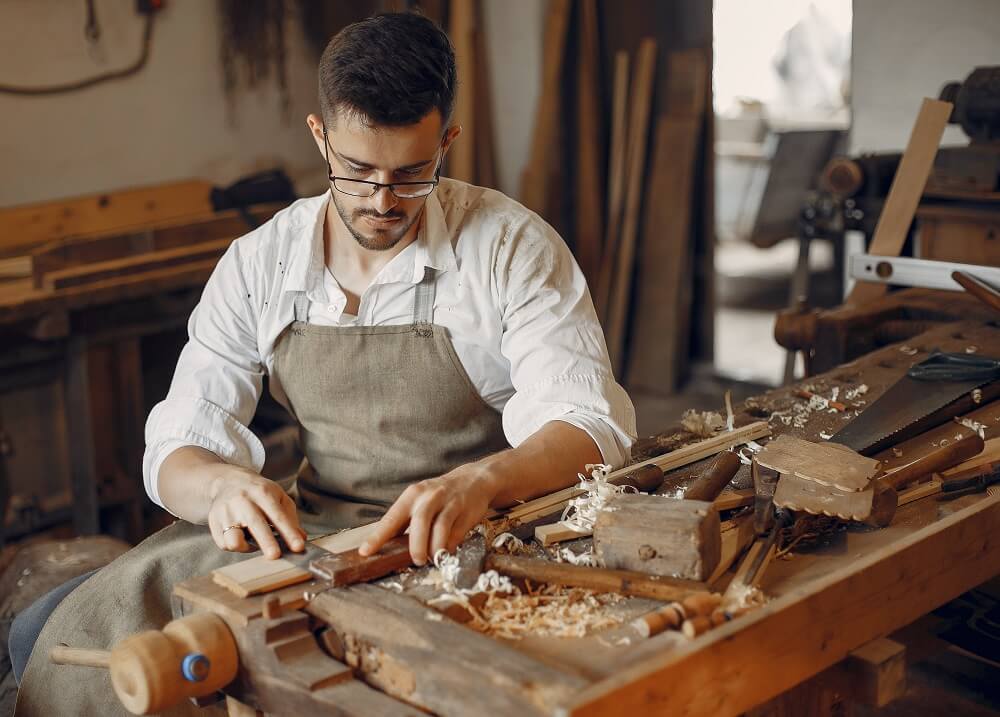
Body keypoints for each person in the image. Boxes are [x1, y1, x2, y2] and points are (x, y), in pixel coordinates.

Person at [10, 12, 635, 715]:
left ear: (446, 142)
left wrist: (483, 480)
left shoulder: (508, 248)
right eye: (358, 172)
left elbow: (589, 424)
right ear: (320, 136)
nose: (382, 202)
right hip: (310, 531)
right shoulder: (261, 264)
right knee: (61, 636)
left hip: (465, 541)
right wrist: (220, 487)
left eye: (411, 175)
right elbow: (179, 443)